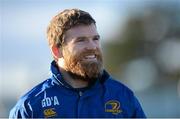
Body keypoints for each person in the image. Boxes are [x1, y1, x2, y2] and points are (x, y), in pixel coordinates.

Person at [9, 8, 146, 118]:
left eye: (95, 39)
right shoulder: (30, 107)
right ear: (57, 51)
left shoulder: (123, 97)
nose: (92, 46)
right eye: (81, 40)